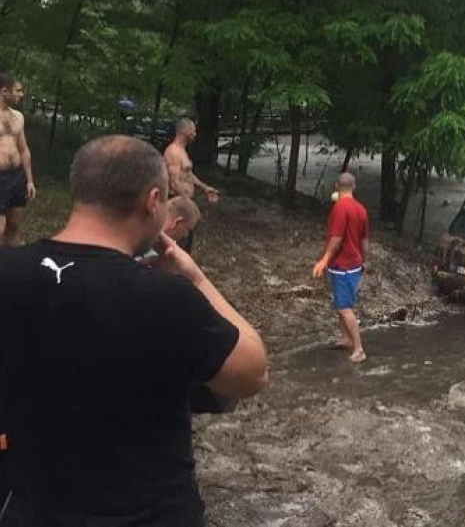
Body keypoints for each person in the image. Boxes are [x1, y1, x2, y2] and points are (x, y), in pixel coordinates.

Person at [0, 135, 268, 526]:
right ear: (153, 200)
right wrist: (195, 277)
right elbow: (253, 373)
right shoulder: (166, 298)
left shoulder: (8, 273)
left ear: (80, 190)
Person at [312, 172, 370, 363]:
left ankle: (359, 349)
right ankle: (346, 338)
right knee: (340, 304)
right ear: (354, 187)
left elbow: (336, 240)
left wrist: (324, 260)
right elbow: (365, 241)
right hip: (354, 264)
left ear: (337, 185)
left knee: (345, 308)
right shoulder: (361, 209)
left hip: (343, 265)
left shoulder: (339, 208)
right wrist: (365, 261)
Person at [163, 118, 219, 252]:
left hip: (184, 202)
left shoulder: (182, 151)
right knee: (178, 243)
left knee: (187, 241)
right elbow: (174, 181)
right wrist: (187, 202)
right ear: (185, 130)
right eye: (193, 130)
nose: (195, 134)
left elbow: (188, 175)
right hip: (176, 203)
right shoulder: (173, 152)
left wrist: (205, 188)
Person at [0, 72, 35, 246]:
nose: (21, 94)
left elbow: (24, 150)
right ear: (4, 91)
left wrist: (29, 181)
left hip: (17, 177)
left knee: (13, 226)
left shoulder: (18, 117)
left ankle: (10, 268)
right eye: (18, 90)